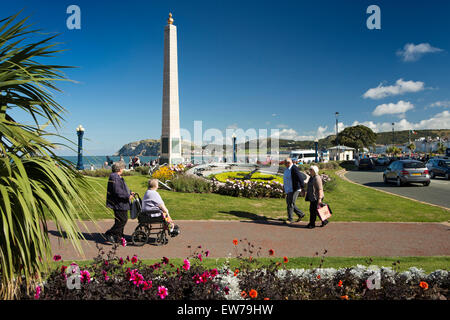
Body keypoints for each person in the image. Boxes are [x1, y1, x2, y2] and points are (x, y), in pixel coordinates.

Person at [105, 161, 134, 243]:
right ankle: (110, 233)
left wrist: (130, 192)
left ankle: (119, 236)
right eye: (123, 168)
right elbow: (118, 192)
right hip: (119, 203)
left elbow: (122, 189)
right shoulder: (115, 178)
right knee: (122, 220)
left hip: (120, 203)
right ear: (120, 169)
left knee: (120, 220)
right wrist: (128, 196)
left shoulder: (116, 177)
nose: (123, 170)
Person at [283, 158, 306, 224]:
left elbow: (300, 178)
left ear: (288, 163)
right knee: (289, 203)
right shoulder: (287, 169)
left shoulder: (294, 168)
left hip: (294, 189)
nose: (284, 165)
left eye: (285, 163)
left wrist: (302, 188)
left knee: (290, 203)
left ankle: (290, 219)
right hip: (289, 188)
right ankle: (301, 214)